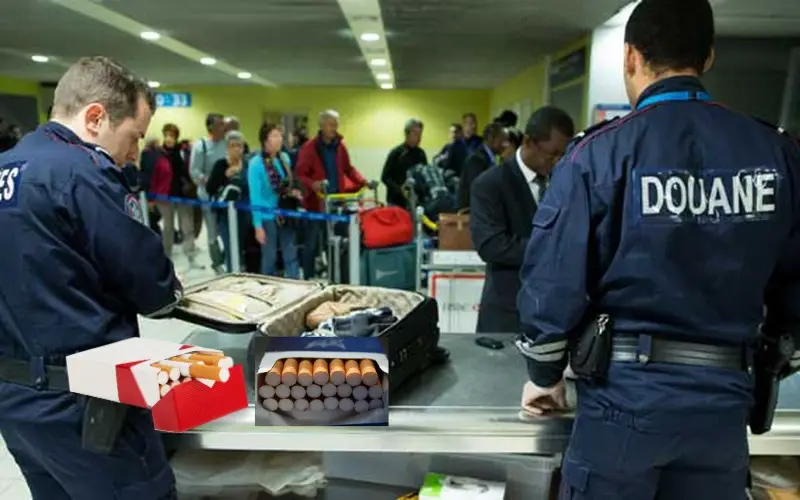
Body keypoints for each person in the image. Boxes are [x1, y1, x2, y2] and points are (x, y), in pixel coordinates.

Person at [515, 1, 800, 498]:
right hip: (724, 404)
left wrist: (543, 374)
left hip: (623, 403)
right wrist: (775, 355)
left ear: (629, 57)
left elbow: (552, 282)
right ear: (707, 58)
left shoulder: (598, 155)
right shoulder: (774, 152)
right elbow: (795, 287)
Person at [0, 56, 181, 499]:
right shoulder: (83, 174)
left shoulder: (6, 165)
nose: (135, 152)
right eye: (134, 137)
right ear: (96, 117)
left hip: (15, 397)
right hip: (85, 404)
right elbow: (154, 291)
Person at [470, 107, 574, 333]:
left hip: (555, 315)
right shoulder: (490, 184)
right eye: (552, 154)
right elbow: (492, 245)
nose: (557, 162)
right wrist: (555, 249)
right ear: (528, 142)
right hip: (507, 314)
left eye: (563, 155)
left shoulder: (565, 182)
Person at [295, 109, 367, 279]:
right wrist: (313, 184)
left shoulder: (340, 146)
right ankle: (308, 280)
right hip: (316, 205)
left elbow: (348, 169)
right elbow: (299, 174)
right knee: (311, 244)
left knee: (336, 244)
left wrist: (363, 181)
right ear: (322, 125)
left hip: (337, 203)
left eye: (336, 125)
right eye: (331, 124)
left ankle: (336, 279)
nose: (334, 128)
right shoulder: (310, 148)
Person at [248, 123, 303, 278]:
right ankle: (267, 287)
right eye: (274, 135)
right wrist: (258, 226)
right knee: (269, 258)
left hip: (285, 212)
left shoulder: (284, 158)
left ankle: (295, 285)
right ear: (265, 140)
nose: (279, 139)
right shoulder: (256, 164)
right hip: (267, 217)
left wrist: (295, 192)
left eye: (280, 135)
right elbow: (255, 197)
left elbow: (288, 183)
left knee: (290, 253)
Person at [207, 130, 249, 273]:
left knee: (242, 246)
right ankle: (232, 274)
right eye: (233, 146)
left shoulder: (247, 165)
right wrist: (225, 176)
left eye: (239, 145)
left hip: (244, 214)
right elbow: (210, 188)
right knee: (230, 245)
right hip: (225, 214)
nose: (237, 149)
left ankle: (242, 272)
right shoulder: (220, 165)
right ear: (227, 147)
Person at [190, 112, 227, 273]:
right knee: (212, 231)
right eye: (220, 124)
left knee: (225, 228)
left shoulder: (226, 144)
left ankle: (227, 258)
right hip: (207, 196)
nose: (223, 128)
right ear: (211, 127)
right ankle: (216, 262)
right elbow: (194, 171)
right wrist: (207, 179)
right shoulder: (201, 146)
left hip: (225, 195)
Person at [159, 123, 199, 266]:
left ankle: (191, 255)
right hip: (165, 196)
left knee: (187, 227)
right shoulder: (159, 152)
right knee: (168, 227)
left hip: (182, 194)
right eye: (167, 135)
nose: (169, 138)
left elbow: (185, 170)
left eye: (172, 135)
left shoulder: (181, 151)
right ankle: (166, 257)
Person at [457, 122, 507, 210]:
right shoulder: (476, 160)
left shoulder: (492, 158)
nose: (505, 145)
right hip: (471, 212)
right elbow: (477, 191)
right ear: (492, 139)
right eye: (503, 140)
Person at [381, 118, 428, 209]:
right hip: (395, 203)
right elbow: (385, 177)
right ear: (407, 134)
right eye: (415, 134)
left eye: (420, 134)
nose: (419, 138)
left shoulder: (421, 154)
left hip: (416, 204)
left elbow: (424, 176)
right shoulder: (396, 153)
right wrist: (400, 190)